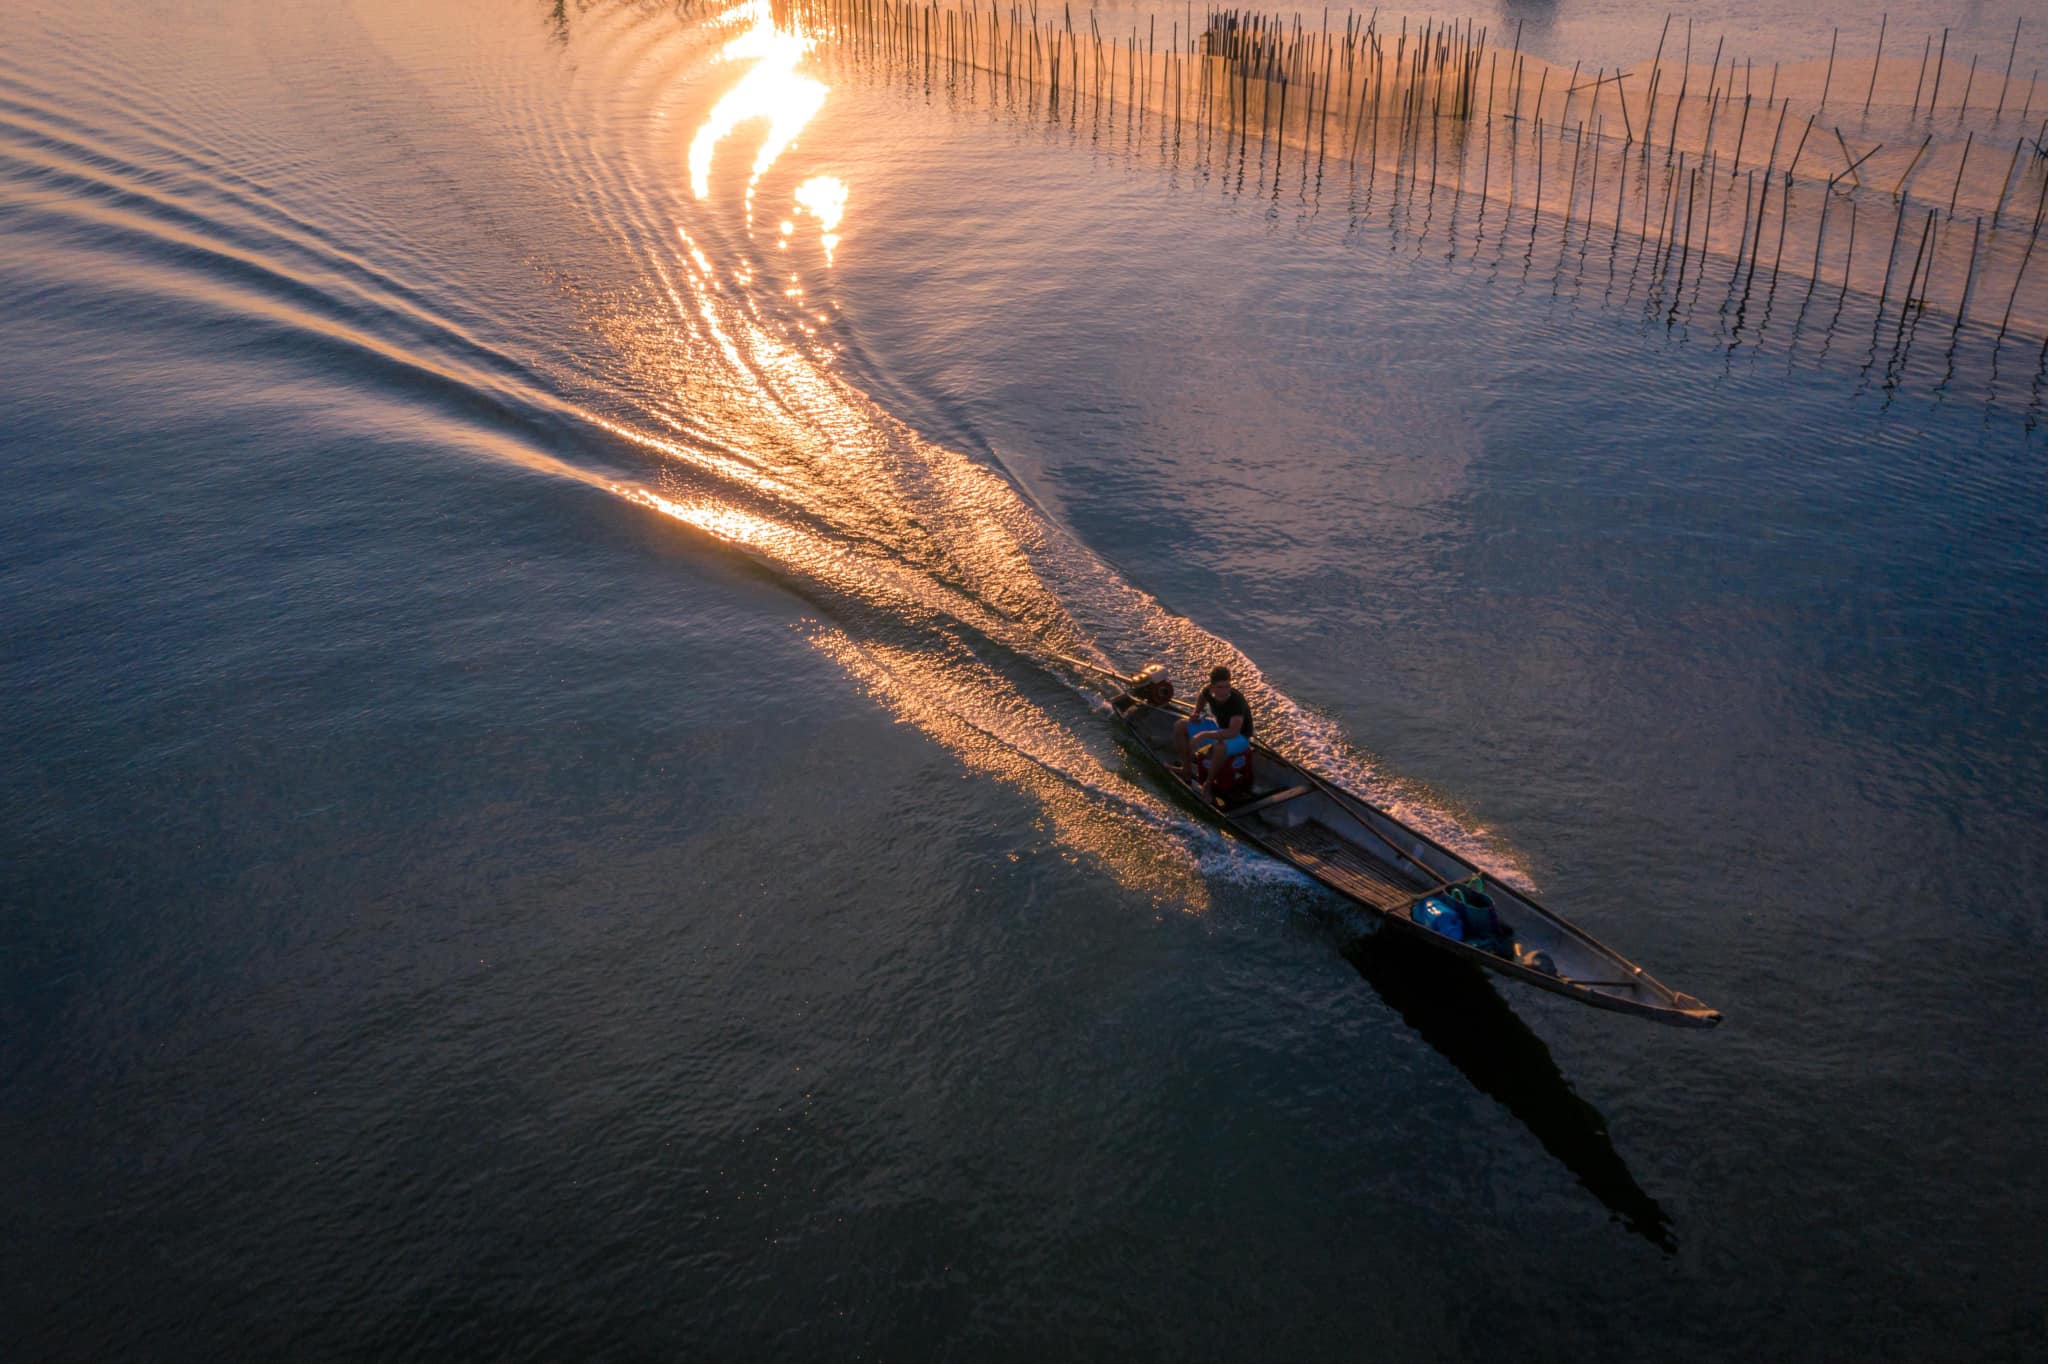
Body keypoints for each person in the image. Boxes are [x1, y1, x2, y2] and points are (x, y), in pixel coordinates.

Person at [1174, 665, 1254, 795]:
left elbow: (1233, 732)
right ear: (1212, 687)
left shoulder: (1236, 701)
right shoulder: (1208, 691)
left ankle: (1208, 784)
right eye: (1220, 687)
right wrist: (1196, 712)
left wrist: (1202, 734)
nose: (1225, 691)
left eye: (1227, 686)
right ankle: (1186, 770)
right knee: (1180, 725)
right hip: (1219, 728)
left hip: (1240, 737)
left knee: (1219, 746)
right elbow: (1202, 695)